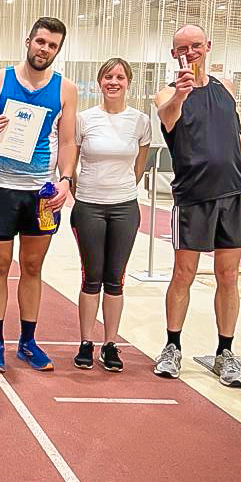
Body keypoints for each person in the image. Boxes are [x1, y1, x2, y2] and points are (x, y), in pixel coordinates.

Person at [152, 24, 241, 387]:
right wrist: (181, 95)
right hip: (194, 196)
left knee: (228, 276)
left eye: (196, 45)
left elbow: (237, 136)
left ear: (208, 47)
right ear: (174, 54)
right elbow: (168, 119)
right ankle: (172, 346)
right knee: (183, 274)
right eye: (182, 47)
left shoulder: (225, 88)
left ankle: (225, 353)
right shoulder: (166, 94)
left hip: (233, 194)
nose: (191, 52)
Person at [0, 17, 78, 373]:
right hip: (0, 186)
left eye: (52, 45)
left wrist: (65, 180)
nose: (44, 49)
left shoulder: (66, 89)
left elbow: (67, 141)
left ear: (58, 51)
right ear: (28, 40)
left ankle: (28, 342)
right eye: (40, 42)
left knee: (33, 267)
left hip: (41, 192)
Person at [69, 58, 150, 372]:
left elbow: (139, 168)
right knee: (92, 277)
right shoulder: (84, 120)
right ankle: (86, 342)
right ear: (100, 82)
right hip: (88, 206)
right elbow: (71, 165)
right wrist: (85, 194)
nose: (113, 82)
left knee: (115, 279)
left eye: (119, 77)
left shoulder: (141, 121)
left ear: (128, 82)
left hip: (124, 207)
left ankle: (111, 344)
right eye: (108, 77)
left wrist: (120, 191)